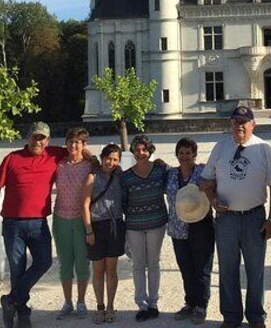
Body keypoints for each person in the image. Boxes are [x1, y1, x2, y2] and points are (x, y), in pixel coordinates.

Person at [201, 106, 271, 328]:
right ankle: (231, 316)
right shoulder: (221, 147)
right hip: (227, 219)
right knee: (227, 268)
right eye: (235, 121)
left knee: (255, 269)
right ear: (230, 124)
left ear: (253, 124)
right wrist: (213, 200)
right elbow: (206, 180)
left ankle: (256, 316)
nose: (239, 126)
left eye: (244, 122)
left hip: (255, 217)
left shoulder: (263, 148)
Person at [0, 122, 67, 328]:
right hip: (13, 224)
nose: (38, 141)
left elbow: (78, 148)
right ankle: (22, 314)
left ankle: (10, 300)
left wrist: (92, 158)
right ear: (28, 137)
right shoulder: (12, 158)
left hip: (39, 223)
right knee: (17, 270)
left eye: (42, 138)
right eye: (35, 137)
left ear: (48, 141)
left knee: (44, 262)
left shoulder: (54, 155)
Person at [166, 137, 215, 325]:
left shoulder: (203, 172)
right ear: (176, 155)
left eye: (188, 153)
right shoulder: (170, 174)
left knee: (202, 268)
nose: (184, 156)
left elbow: (218, 181)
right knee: (186, 268)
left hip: (201, 225)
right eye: (181, 153)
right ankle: (190, 302)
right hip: (178, 227)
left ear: (195, 154)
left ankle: (201, 305)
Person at [122, 135, 169, 322]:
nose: (140, 153)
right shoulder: (126, 176)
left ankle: (153, 303)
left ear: (150, 150)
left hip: (156, 222)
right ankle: (141, 303)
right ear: (133, 152)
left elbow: (179, 176)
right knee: (138, 264)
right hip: (134, 225)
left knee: (154, 262)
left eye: (144, 149)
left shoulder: (161, 170)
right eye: (137, 149)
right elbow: (123, 201)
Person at [83, 143, 125, 324]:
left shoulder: (120, 176)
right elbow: (84, 205)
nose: (111, 162)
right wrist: (88, 230)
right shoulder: (92, 177)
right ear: (102, 158)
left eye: (115, 159)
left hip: (115, 226)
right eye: (108, 158)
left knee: (112, 269)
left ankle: (110, 305)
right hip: (96, 226)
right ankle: (99, 306)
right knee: (98, 270)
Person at [53, 127, 92, 320]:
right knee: (65, 263)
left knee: (82, 263)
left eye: (77, 142)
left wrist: (90, 156)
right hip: (60, 218)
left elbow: (104, 165)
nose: (73, 145)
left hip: (80, 219)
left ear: (84, 145)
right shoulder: (58, 165)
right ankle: (67, 302)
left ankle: (82, 301)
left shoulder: (89, 166)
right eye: (70, 141)